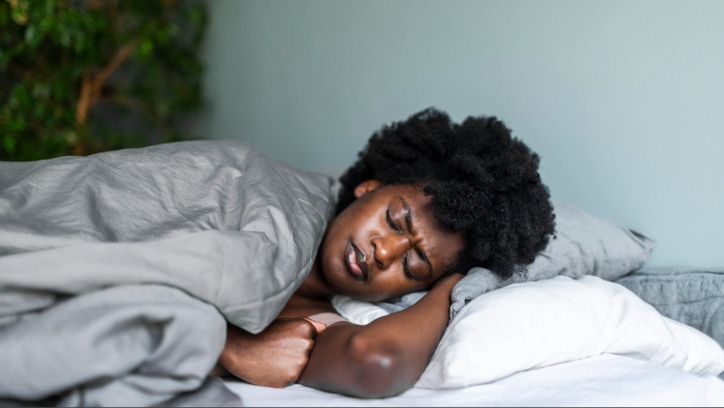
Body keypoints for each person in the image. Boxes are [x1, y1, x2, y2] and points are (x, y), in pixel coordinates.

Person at [217, 107, 556, 398]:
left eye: (414, 265)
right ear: (369, 188)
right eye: (396, 221)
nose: (384, 252)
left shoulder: (313, 322)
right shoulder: (267, 206)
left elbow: (375, 361)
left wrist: (456, 282)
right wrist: (223, 348)